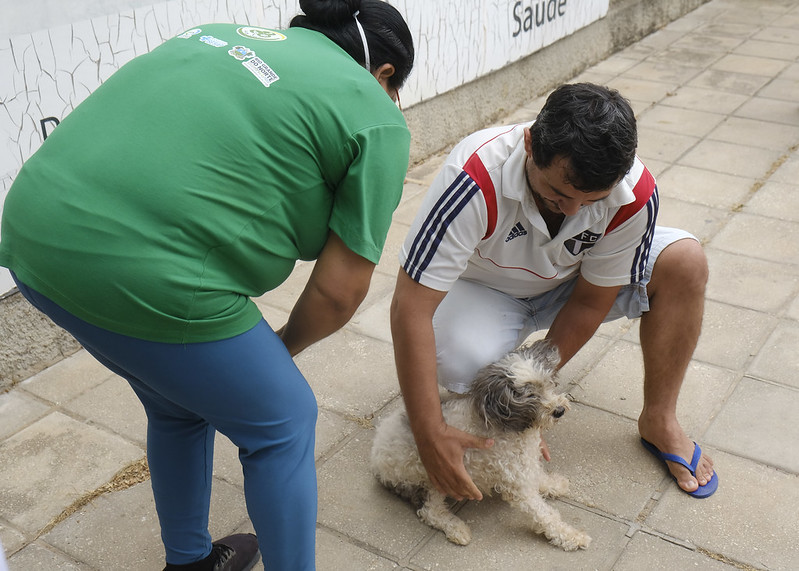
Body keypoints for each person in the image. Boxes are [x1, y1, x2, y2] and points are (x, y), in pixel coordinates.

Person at [0, 0, 414, 569]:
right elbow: (340, 292)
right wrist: (282, 349)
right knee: (283, 421)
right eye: (396, 90)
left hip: (31, 234)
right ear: (385, 74)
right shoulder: (376, 114)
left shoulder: (214, 34)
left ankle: (191, 561)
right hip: (144, 271)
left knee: (178, 406)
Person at [391, 82, 718, 506]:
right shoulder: (474, 176)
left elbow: (588, 302)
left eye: (592, 201)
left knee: (686, 262)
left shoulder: (633, 192)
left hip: (572, 283)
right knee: (458, 361)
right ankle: (483, 389)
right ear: (530, 144)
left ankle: (659, 418)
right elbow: (409, 305)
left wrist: (537, 400)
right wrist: (428, 432)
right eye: (559, 193)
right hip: (487, 288)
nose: (574, 212)